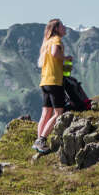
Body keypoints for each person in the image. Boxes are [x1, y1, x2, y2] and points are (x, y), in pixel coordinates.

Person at [33, 18, 68, 153]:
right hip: (54, 81)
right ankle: (41, 139)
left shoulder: (46, 42)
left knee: (46, 113)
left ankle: (38, 141)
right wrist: (66, 58)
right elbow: (55, 53)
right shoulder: (56, 40)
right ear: (56, 29)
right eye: (62, 26)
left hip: (45, 81)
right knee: (59, 112)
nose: (65, 28)